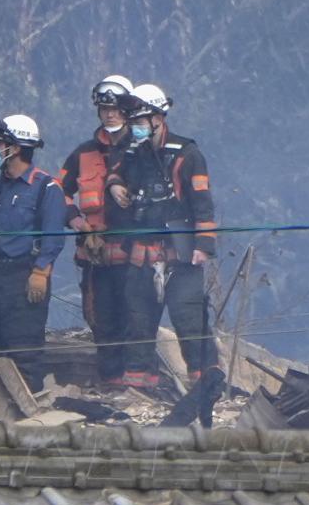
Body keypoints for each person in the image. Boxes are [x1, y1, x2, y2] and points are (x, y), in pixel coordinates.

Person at [120, 81, 223, 421]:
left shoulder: (187, 153)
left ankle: (205, 385)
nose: (135, 125)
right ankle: (138, 389)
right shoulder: (132, 152)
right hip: (143, 251)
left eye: (141, 118)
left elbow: (203, 204)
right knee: (138, 318)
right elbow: (117, 175)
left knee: (189, 318)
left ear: (158, 118)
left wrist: (203, 247)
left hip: (181, 253)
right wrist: (116, 186)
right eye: (132, 119)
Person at [59, 75, 146, 388]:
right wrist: (79, 224)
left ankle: (136, 382)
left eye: (116, 109)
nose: (109, 114)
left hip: (133, 256)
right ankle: (111, 383)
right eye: (104, 108)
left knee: (134, 318)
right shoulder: (83, 153)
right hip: (95, 259)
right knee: (101, 319)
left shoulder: (141, 151)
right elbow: (59, 192)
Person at [0, 114, 66, 375]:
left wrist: (41, 272)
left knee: (24, 349)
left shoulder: (47, 188)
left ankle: (27, 408)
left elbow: (54, 235)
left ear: (17, 147)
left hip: (26, 277)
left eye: (1, 144)